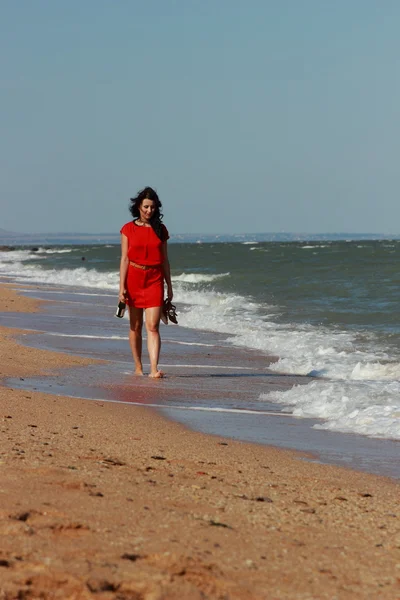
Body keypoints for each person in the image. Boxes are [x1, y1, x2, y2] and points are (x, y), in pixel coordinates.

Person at [119, 187, 173, 378]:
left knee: (153, 326)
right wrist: (121, 288)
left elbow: (165, 260)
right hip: (134, 278)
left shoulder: (161, 229)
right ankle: (138, 366)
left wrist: (169, 286)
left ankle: (153, 369)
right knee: (135, 326)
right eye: (146, 207)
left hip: (155, 279)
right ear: (139, 207)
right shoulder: (128, 229)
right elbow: (124, 259)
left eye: (152, 207)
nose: (149, 211)